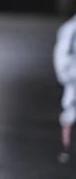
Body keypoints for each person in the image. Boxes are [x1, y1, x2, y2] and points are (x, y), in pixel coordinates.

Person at [53, 13, 76, 163]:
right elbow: (62, 57)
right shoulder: (71, 29)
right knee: (70, 113)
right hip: (74, 83)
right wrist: (69, 75)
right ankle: (68, 150)